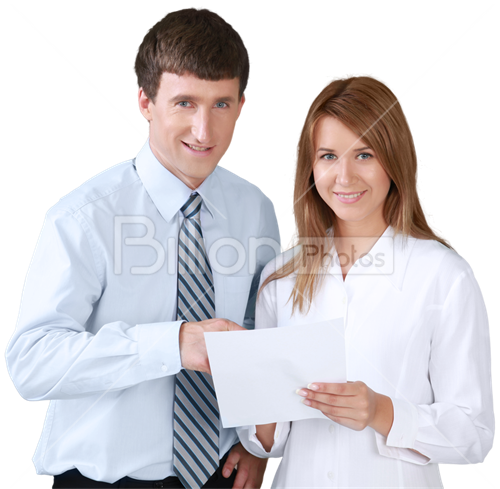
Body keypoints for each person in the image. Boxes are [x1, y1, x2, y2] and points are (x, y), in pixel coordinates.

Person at [5, 7, 281, 489]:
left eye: (220, 104)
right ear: (146, 102)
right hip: (102, 482)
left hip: (221, 476)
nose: (204, 131)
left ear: (241, 105)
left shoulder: (255, 209)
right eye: (184, 103)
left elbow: (260, 338)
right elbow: (31, 363)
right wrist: (173, 344)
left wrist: (255, 445)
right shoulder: (83, 217)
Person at [227, 73, 495, 487]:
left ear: (394, 159)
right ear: (311, 166)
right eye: (328, 156)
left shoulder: (445, 276)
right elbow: (269, 443)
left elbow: (473, 435)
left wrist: (380, 412)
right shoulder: (282, 275)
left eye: (364, 154)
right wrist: (247, 377)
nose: (344, 176)